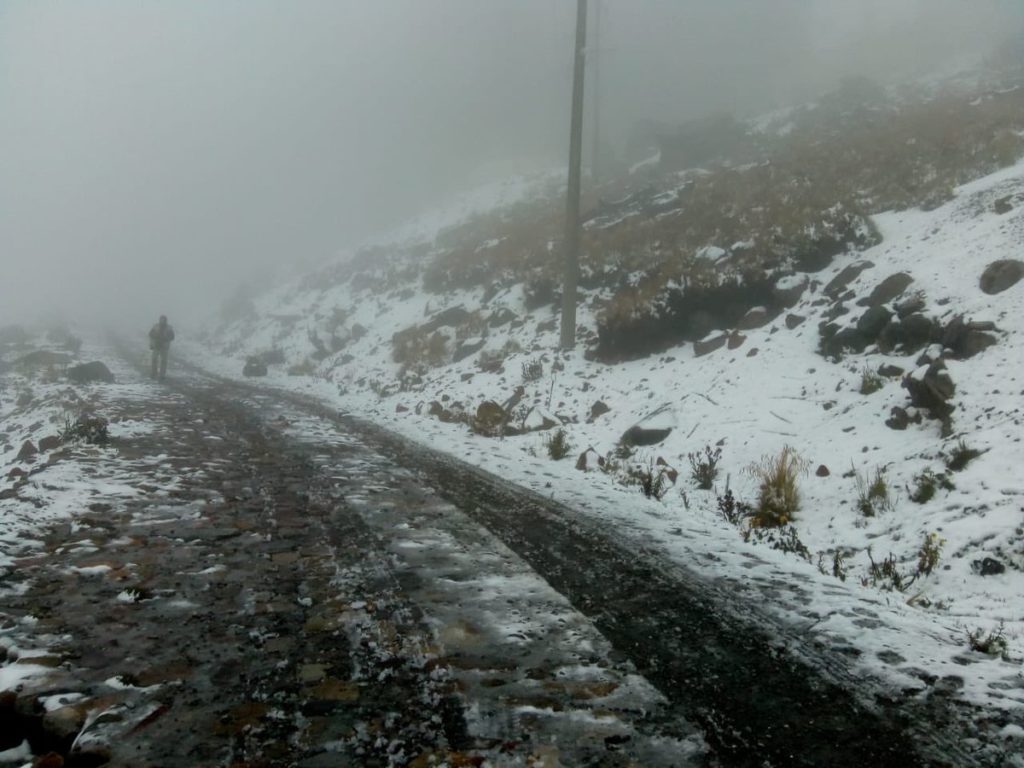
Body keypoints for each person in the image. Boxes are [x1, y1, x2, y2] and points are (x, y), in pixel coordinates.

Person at [149, 315, 175, 380]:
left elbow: (172, 337)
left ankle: (162, 374)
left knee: (164, 361)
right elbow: (150, 334)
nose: (162, 321)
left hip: (164, 346)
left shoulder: (169, 328)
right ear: (159, 320)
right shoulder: (156, 326)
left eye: (163, 320)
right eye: (161, 319)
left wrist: (166, 338)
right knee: (154, 359)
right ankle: (153, 373)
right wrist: (152, 343)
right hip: (156, 345)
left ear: (166, 320)